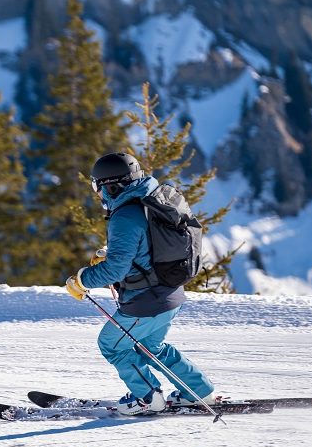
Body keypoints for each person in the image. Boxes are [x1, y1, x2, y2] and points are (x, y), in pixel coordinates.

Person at [65, 152, 216, 415]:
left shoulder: (125, 215)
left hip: (146, 301)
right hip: (171, 293)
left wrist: (82, 281)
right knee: (151, 348)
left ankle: (147, 397)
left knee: (111, 345)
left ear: (112, 185)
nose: (98, 194)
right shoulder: (150, 201)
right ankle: (198, 391)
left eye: (97, 187)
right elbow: (146, 246)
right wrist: (109, 252)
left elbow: (116, 268)